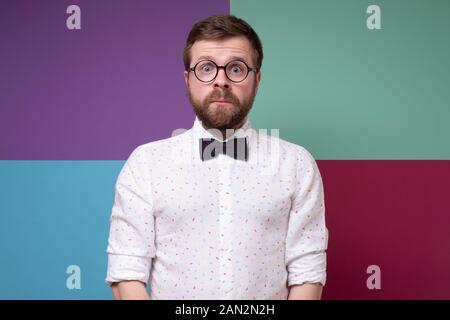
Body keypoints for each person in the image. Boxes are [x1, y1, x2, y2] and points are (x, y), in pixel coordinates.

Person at [105, 14, 328, 300]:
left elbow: (307, 272)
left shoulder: (296, 164)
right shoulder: (146, 164)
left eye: (236, 69)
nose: (220, 81)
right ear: (188, 80)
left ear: (256, 80)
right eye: (206, 68)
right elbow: (127, 272)